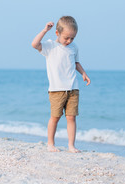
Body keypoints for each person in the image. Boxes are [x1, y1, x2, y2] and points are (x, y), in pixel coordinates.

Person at [31, 16, 91, 153]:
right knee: (55, 117)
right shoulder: (50, 46)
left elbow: (76, 63)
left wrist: (83, 73)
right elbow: (34, 44)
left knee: (71, 117)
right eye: (66, 38)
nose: (69, 41)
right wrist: (45, 30)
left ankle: (71, 145)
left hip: (73, 88)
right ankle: (50, 143)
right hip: (56, 89)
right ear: (57, 33)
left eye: (72, 38)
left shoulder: (74, 47)